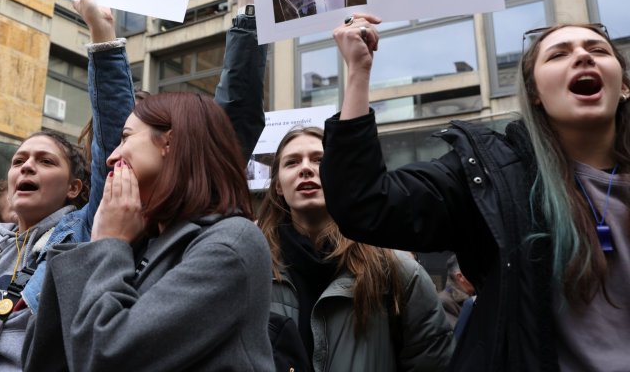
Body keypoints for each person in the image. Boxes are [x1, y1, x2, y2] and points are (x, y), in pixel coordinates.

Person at [322, 19, 630, 371]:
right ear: (535, 95)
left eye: (597, 50)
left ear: (623, 87)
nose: (581, 57)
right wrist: (358, 73)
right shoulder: (491, 175)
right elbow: (365, 204)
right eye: (558, 54)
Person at [0, 0, 135, 370]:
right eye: (19, 159)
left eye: (45, 161)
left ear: (75, 188)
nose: (26, 166)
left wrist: (102, 38)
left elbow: (113, 143)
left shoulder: (83, 234)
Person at [23, 92, 274, 371]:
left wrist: (108, 243)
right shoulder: (139, 243)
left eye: (126, 138)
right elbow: (44, 359)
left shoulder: (230, 244)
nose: (112, 157)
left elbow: (106, 357)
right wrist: (104, 244)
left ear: (170, 141)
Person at [257, 126, 454, 371]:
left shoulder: (391, 265)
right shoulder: (253, 265)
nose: (305, 168)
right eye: (292, 163)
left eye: (319, 160)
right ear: (277, 186)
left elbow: (431, 359)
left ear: (338, 176)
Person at [439, 254, 475, 329]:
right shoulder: (444, 303)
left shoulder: (473, 297)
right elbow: (458, 336)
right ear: (460, 277)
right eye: (475, 271)